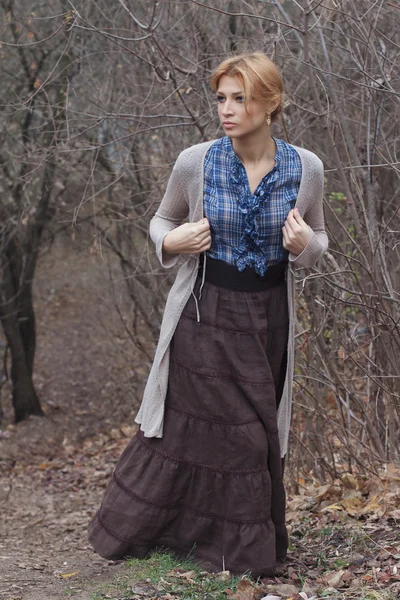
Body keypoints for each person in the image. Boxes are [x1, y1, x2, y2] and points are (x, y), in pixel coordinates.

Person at [87, 51, 328, 577]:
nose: (227, 108)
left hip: (269, 319)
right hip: (203, 314)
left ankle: (214, 542)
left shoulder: (306, 168)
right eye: (221, 97)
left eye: (240, 98)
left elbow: (319, 237)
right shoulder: (195, 161)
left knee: (254, 430)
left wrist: (306, 244)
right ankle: (239, 556)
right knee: (232, 432)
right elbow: (161, 220)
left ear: (272, 103)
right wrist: (172, 240)